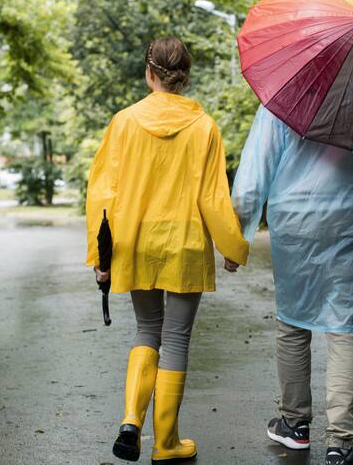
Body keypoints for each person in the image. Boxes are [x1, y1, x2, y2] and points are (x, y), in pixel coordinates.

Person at [85, 37, 249, 464]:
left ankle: (130, 422)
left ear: (149, 72)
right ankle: (166, 443)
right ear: (185, 76)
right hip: (185, 243)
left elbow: (103, 194)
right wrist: (232, 246)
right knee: (175, 338)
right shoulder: (204, 126)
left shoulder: (124, 122)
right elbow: (213, 197)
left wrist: (102, 257)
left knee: (146, 331)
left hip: (136, 241)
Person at [231, 105, 353, 465]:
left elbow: (251, 182)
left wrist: (237, 239)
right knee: (345, 329)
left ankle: (294, 424)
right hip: (348, 224)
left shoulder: (279, 102)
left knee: (293, 323)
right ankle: (340, 444)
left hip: (295, 226)